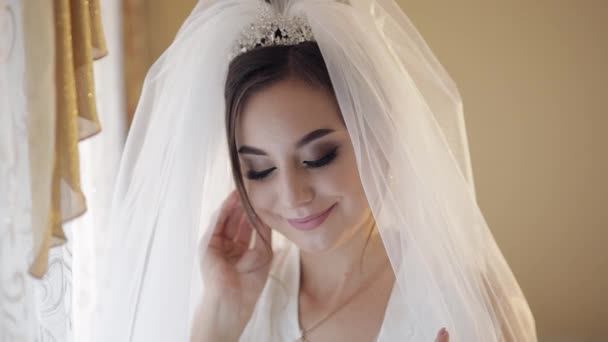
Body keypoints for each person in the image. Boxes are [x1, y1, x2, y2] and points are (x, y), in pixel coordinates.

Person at [94, 1, 537, 341]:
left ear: (376, 135)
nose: (292, 195)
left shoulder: (471, 303)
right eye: (260, 169)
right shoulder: (234, 304)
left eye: (319, 157)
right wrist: (220, 318)